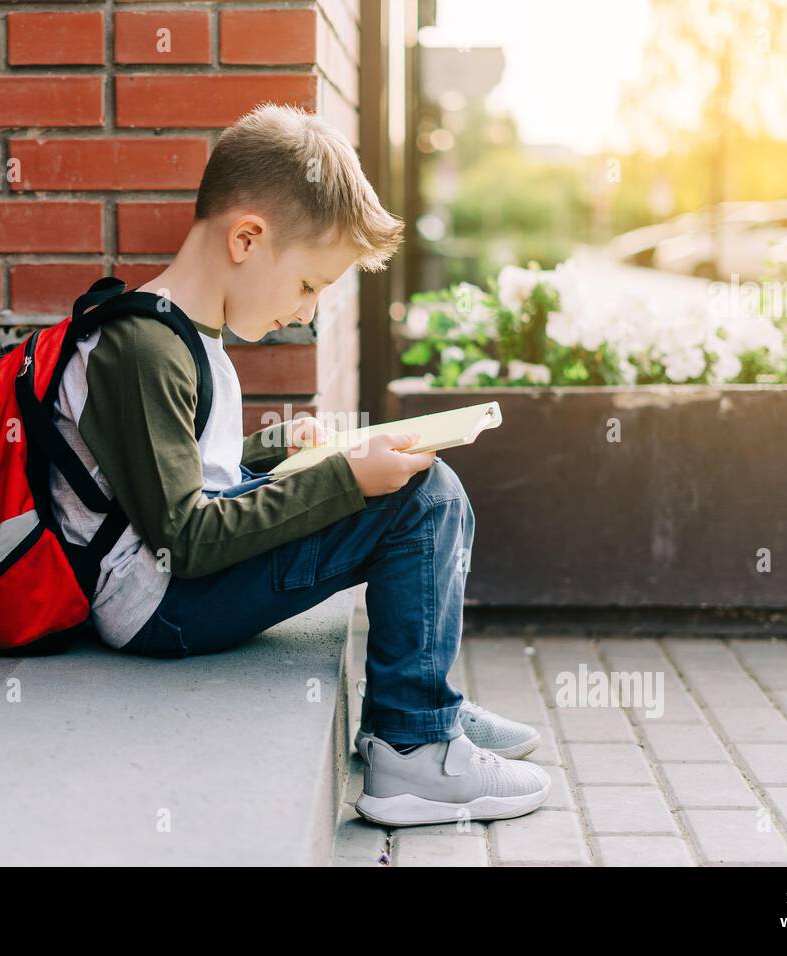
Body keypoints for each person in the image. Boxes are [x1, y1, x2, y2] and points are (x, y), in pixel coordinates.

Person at [51, 103, 549, 827]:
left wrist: (276, 450)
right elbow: (182, 539)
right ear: (247, 238)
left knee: (407, 475)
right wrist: (343, 480)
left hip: (170, 579)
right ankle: (412, 748)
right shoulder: (145, 348)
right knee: (421, 495)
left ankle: (419, 694)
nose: (309, 312)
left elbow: (173, 472)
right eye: (311, 284)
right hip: (159, 605)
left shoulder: (179, 333)